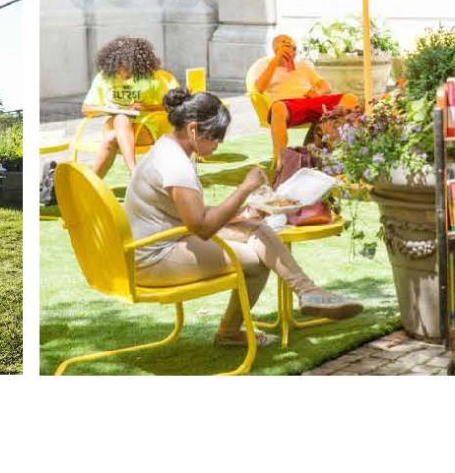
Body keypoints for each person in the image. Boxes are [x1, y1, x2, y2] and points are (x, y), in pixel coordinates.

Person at [127, 90, 362, 349]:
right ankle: (230, 331)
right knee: (255, 261)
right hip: (155, 259)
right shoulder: (174, 164)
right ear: (193, 129)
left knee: (256, 228)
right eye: (215, 137)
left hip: (168, 239)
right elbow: (202, 227)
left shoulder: (170, 149)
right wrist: (244, 189)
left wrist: (244, 213)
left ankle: (309, 293)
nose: (218, 144)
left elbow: (191, 214)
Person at [246, 35, 360, 165]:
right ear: (275, 48)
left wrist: (317, 91)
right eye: (285, 45)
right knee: (278, 107)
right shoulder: (264, 65)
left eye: (293, 47)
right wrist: (276, 60)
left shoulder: (303, 66)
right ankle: (282, 160)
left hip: (309, 101)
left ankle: (348, 148)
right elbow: (259, 88)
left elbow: (326, 86)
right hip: (287, 104)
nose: (290, 49)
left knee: (350, 99)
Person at [81, 36, 171, 179]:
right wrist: (106, 108)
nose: (123, 73)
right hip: (113, 127)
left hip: (143, 128)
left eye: (129, 69)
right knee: (121, 118)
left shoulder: (153, 77)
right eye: (119, 67)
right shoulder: (104, 77)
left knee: (112, 136)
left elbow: (172, 106)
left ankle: (90, 184)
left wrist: (145, 107)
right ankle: (134, 172)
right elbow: (86, 109)